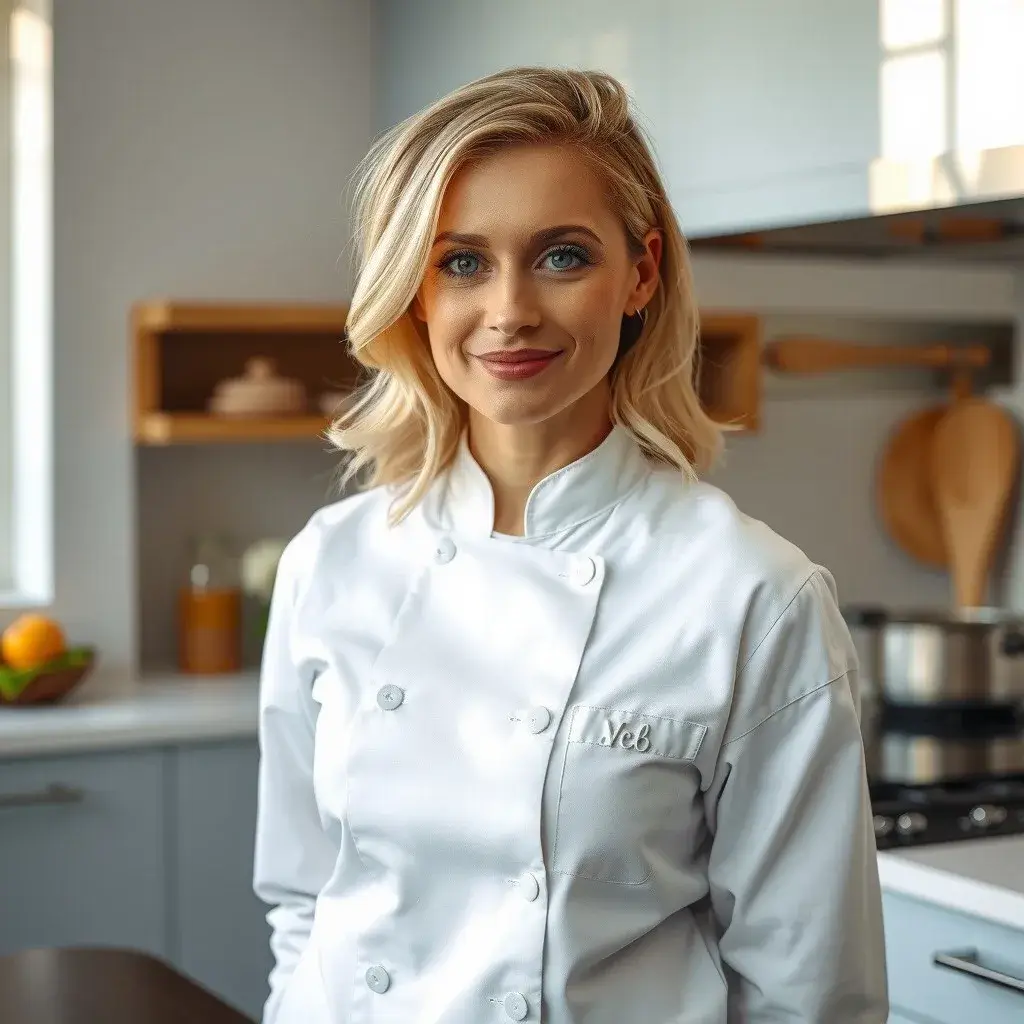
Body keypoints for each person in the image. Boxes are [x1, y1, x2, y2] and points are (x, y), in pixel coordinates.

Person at [252, 66, 889, 1024]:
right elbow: (305, 902)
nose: (509, 310)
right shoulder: (331, 563)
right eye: (461, 261)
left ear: (641, 272)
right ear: (413, 292)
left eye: (560, 257)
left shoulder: (754, 597)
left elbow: (810, 993)